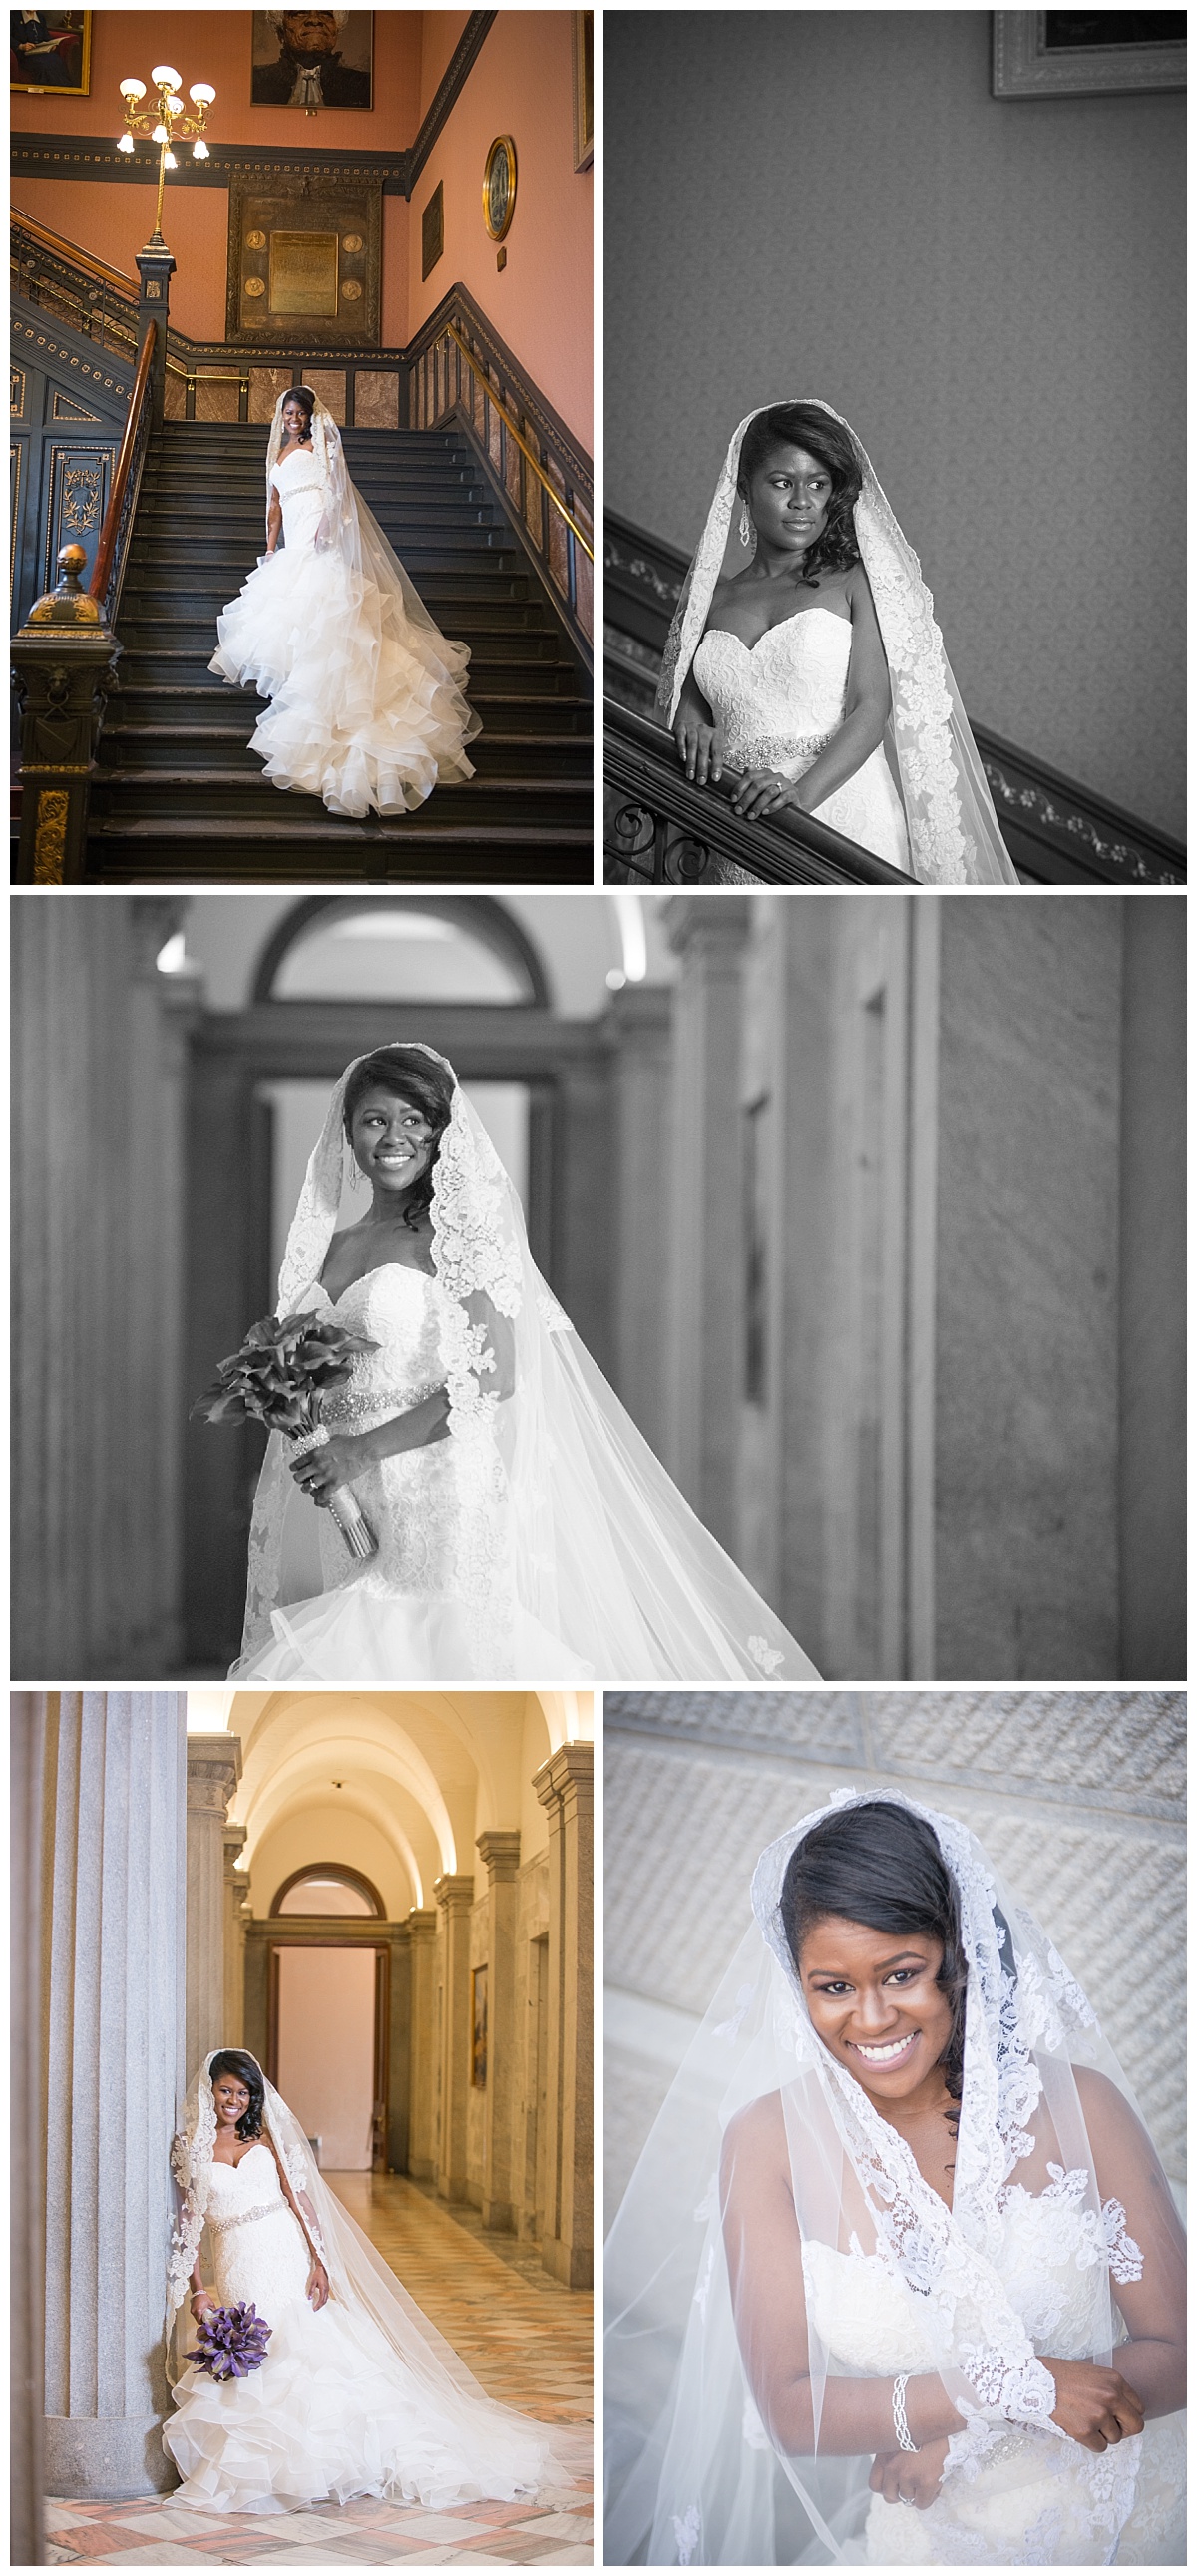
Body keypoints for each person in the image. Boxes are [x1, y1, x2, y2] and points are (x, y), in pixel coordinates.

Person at [604, 1793, 1185, 2565]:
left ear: (958, 1955)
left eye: (901, 1973)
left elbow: (1180, 2349)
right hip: (930, 2541)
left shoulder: (1083, 2108)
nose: (872, 2019)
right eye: (834, 1987)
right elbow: (788, 2407)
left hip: (1129, 2527)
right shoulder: (765, 2144)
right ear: (797, 1985)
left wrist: (964, 2438)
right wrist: (1006, 2389)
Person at [230, 1041, 818, 1683]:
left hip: (437, 1486)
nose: (394, 1137)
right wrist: (302, 1416)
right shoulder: (332, 1248)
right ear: (349, 1134)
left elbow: (491, 1377)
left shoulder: (459, 1242)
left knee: (429, 1649)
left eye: (414, 1120)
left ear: (439, 1134)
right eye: (375, 1119)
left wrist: (362, 1450)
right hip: (347, 1488)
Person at [164, 2047, 574, 2513]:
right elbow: (188, 2222)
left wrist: (320, 2262)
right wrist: (198, 2289)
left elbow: (302, 2203)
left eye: (243, 2092)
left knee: (309, 2344)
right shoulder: (190, 2149)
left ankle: (336, 2460)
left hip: (285, 2253)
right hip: (239, 2261)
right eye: (225, 2090)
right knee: (263, 2352)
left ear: (254, 2096)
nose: (233, 2100)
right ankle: (271, 2466)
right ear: (209, 2090)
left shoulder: (268, 2140)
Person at [660, 401, 1019, 886]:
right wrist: (695, 732)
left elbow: (871, 707)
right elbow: (690, 711)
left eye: (818, 484)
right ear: (745, 488)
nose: (802, 501)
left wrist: (798, 799)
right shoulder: (712, 598)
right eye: (782, 482)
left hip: (837, 807)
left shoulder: (854, 583)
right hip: (739, 817)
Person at [210, 387, 479, 818]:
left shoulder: (322, 445)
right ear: (280, 417)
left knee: (328, 616)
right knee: (289, 619)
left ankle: (340, 711)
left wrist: (324, 531)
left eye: (299, 413)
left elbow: (337, 493)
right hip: (292, 544)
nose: (293, 419)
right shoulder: (277, 455)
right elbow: (275, 504)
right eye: (288, 413)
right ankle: (304, 689)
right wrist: (271, 546)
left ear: (310, 416)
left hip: (319, 539)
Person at [251, 9, 371, 109]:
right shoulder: (255, 80)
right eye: (300, 13)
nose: (314, 20)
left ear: (336, 31)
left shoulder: (365, 85)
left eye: (325, 13)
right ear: (281, 31)